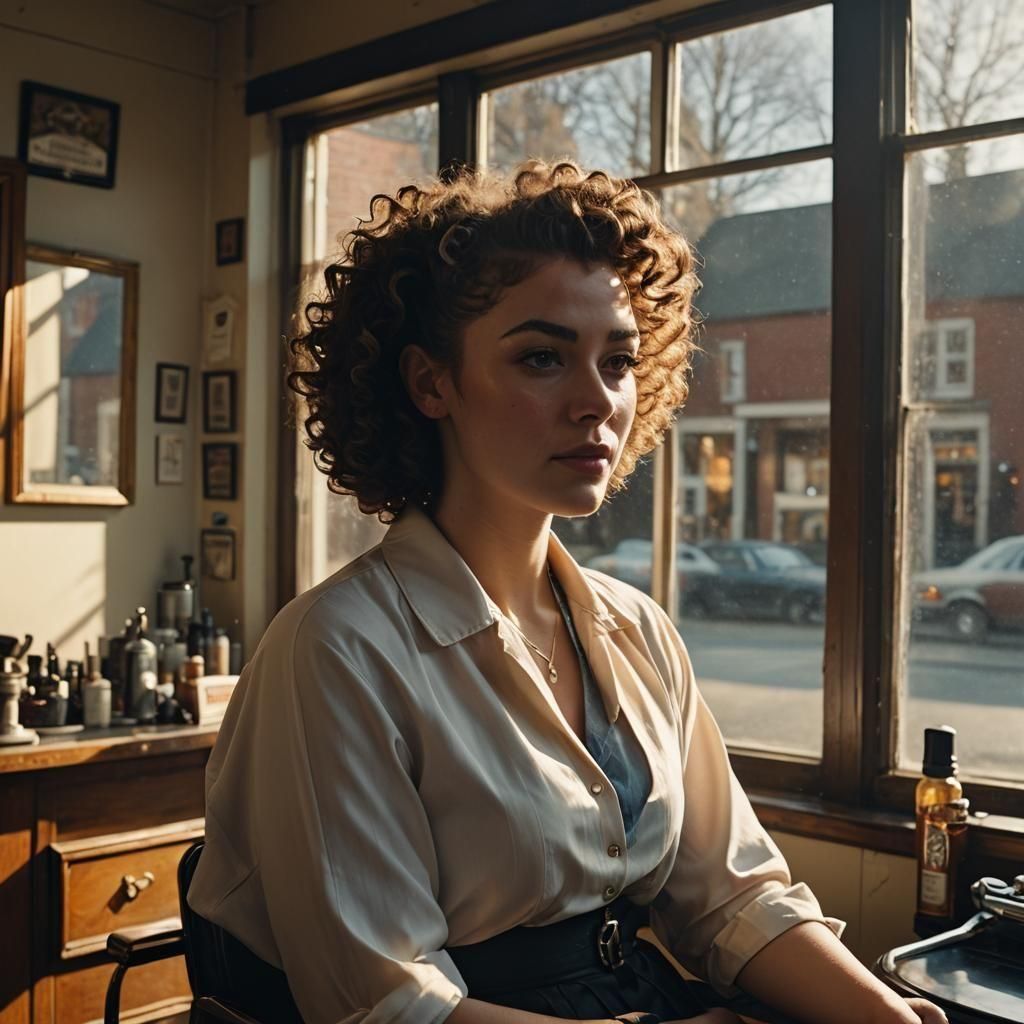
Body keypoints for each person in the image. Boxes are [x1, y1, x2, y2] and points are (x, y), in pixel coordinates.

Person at [186, 161, 946, 1024]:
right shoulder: (336, 650)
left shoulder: (639, 631)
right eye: (543, 357)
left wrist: (879, 1013)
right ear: (430, 382)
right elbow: (389, 1004)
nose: (598, 401)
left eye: (618, 360)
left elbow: (731, 898)